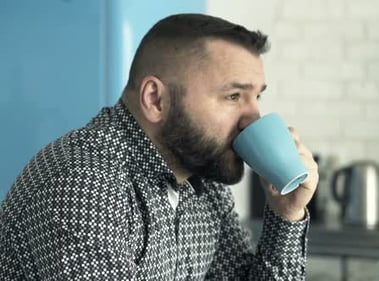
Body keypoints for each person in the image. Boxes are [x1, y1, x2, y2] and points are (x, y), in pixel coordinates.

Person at [0, 13, 319, 280]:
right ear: (156, 99)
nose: (254, 119)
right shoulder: (83, 183)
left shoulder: (202, 181)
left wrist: (287, 215)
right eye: (233, 96)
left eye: (257, 97)